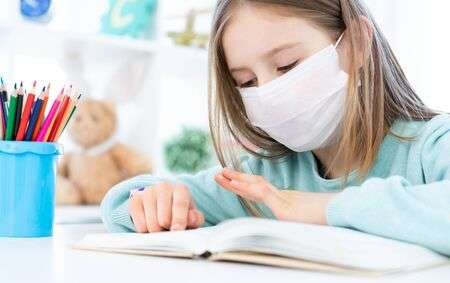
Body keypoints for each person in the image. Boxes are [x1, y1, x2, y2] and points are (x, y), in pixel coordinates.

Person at [101, 0, 450, 256]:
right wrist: (154, 201)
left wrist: (316, 208)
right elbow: (121, 205)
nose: (267, 92)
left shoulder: (432, 146)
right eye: (248, 81)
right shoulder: (267, 181)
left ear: (356, 44)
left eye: (287, 65)